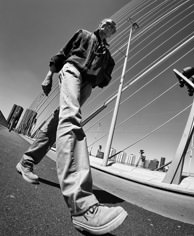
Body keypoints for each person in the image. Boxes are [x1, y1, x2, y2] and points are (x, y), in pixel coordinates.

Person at [16, 18, 128, 235]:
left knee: (59, 121)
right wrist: (49, 75)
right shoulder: (84, 34)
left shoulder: (110, 59)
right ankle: (83, 206)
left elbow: (105, 80)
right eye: (107, 22)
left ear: (113, 32)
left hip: (87, 86)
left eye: (113, 25)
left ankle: (26, 162)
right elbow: (62, 53)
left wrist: (96, 77)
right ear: (101, 24)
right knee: (71, 118)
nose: (109, 25)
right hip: (72, 71)